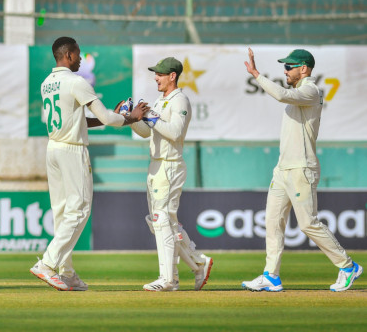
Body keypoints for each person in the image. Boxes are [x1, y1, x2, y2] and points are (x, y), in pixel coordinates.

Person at [30, 36, 146, 291]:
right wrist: (130, 117)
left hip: (54, 149)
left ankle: (67, 272)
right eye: (78, 54)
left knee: (62, 213)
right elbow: (104, 115)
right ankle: (47, 264)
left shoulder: (47, 83)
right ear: (68, 55)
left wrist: (115, 118)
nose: (81, 58)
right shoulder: (76, 82)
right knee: (80, 210)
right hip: (72, 150)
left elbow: (79, 119)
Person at [242, 48, 362, 292]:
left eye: (289, 66)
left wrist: (256, 74)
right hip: (283, 168)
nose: (285, 70)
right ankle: (271, 276)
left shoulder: (310, 90)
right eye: (284, 66)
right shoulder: (299, 91)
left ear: (304, 69)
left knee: (308, 224)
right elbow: (286, 94)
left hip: (301, 168)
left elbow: (282, 95)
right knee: (273, 222)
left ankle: (348, 266)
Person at [125, 57, 213, 292]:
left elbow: (175, 132)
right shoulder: (160, 100)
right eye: (156, 74)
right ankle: (198, 263)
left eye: (160, 74)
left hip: (170, 165)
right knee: (162, 224)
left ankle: (169, 279)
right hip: (155, 166)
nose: (156, 77)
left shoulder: (180, 99)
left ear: (172, 76)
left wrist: (149, 117)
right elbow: (146, 132)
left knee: (161, 221)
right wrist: (132, 118)